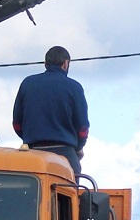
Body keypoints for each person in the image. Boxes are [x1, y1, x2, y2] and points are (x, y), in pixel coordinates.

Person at [12, 45, 89, 176]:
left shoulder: (27, 83)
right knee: (70, 191)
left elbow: (17, 123)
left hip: (32, 152)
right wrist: (78, 147)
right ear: (66, 63)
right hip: (65, 152)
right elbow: (82, 128)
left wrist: (28, 138)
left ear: (45, 63)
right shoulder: (74, 87)